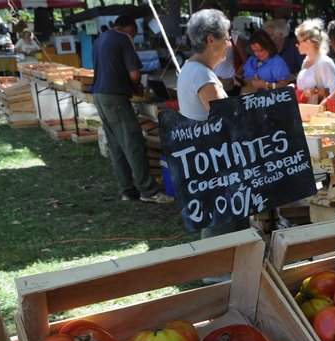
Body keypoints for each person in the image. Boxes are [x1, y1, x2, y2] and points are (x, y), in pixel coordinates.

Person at [178, 9, 250, 241]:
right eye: (227, 37)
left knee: (226, 213)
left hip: (206, 155)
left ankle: (229, 262)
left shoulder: (191, 68)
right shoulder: (203, 76)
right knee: (222, 215)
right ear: (211, 40)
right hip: (215, 157)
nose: (229, 43)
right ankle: (216, 272)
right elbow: (228, 119)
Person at [92, 15, 173, 204]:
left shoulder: (100, 39)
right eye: (135, 34)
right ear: (130, 29)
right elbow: (135, 74)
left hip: (99, 95)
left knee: (116, 144)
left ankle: (127, 190)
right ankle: (148, 190)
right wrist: (135, 85)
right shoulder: (123, 38)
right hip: (116, 97)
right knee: (133, 140)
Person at [294, 18, 335, 105]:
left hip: (321, 114)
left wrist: (315, 91)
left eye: (298, 42)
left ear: (308, 42)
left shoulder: (325, 62)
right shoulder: (305, 61)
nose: (296, 45)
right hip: (306, 111)